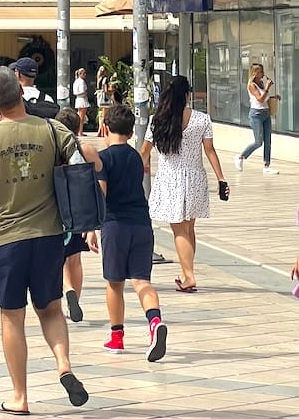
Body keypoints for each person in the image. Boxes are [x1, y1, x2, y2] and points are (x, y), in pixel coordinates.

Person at [0, 66, 90, 414]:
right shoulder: (51, 128)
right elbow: (81, 162)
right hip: (49, 238)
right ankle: (64, 365)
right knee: (50, 309)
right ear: (20, 90)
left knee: (12, 317)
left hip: (7, 241)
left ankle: (20, 396)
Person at [89, 105, 167, 360]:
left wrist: (91, 228)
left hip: (115, 225)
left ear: (106, 128)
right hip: (142, 224)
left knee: (114, 283)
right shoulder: (136, 157)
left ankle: (117, 337)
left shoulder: (104, 158)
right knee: (142, 281)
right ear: (132, 130)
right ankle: (155, 322)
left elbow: (101, 194)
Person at [139, 75, 229, 293]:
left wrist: (139, 169)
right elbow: (210, 150)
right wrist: (221, 178)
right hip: (196, 177)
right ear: (187, 95)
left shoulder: (158, 120)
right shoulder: (202, 119)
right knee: (188, 228)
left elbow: (144, 151)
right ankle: (185, 271)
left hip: (171, 178)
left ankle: (189, 276)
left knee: (179, 230)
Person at [55, 108, 103, 324]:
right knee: (75, 259)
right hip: (80, 211)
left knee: (58, 258)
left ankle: (67, 290)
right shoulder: (86, 150)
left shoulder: (53, 150)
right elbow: (99, 170)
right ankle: (75, 299)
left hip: (58, 210)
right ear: (78, 127)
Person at [234, 63, 280, 175]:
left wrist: (274, 97)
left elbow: (265, 98)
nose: (263, 73)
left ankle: (266, 165)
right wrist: (268, 88)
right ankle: (241, 157)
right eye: (260, 71)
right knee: (258, 141)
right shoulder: (251, 85)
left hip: (265, 113)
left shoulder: (261, 83)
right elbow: (260, 99)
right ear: (255, 73)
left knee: (268, 141)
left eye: (263, 71)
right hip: (256, 115)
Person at [72, 68, 89, 136]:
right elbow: (82, 91)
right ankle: (80, 131)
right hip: (82, 99)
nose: (85, 75)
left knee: (80, 116)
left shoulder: (76, 81)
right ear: (80, 74)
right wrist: (85, 93)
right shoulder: (81, 81)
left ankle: (79, 131)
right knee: (82, 117)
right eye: (84, 73)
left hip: (78, 99)